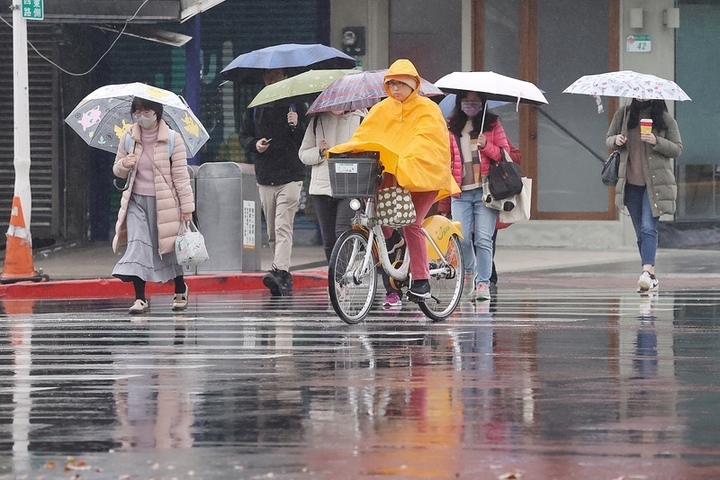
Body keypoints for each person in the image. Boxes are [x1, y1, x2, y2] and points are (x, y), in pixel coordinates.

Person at [328, 59, 459, 303]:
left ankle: (421, 280)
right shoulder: (381, 109)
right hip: (393, 176)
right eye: (391, 84)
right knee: (378, 219)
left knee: (412, 223)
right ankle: (395, 244)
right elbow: (364, 136)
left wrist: (406, 161)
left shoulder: (428, 110)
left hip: (424, 178)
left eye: (400, 83)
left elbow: (427, 143)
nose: (395, 88)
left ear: (414, 85)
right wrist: (346, 150)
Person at [111, 97, 195, 314]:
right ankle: (140, 298)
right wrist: (123, 164)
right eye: (137, 111)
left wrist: (187, 209)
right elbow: (117, 170)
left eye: (146, 110)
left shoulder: (173, 140)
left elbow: (181, 176)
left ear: (157, 112)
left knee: (167, 248)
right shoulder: (128, 138)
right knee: (139, 245)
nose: (142, 116)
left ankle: (179, 287)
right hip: (136, 202)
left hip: (165, 202)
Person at [239, 68, 308, 297]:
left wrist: (295, 124)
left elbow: (305, 140)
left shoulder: (296, 106)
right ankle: (283, 277)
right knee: (271, 231)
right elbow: (244, 136)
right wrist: (254, 144)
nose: (275, 81)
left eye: (279, 76)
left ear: (286, 79)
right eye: (271, 77)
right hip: (266, 175)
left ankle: (280, 270)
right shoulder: (256, 107)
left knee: (282, 226)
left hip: (291, 175)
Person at [606, 98, 682, 293]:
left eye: (645, 93)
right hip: (630, 184)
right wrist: (616, 140)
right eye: (637, 93)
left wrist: (656, 141)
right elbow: (608, 138)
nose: (641, 96)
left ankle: (646, 272)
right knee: (641, 232)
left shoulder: (664, 119)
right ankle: (651, 276)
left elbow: (677, 149)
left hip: (655, 185)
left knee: (649, 228)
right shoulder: (624, 115)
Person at [442, 91, 510, 301]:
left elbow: (505, 154)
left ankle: (483, 284)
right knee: (461, 239)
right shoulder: (451, 125)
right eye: (466, 101)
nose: (470, 105)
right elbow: (444, 155)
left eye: (475, 102)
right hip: (460, 191)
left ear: (483, 104)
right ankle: (469, 271)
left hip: (485, 192)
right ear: (459, 102)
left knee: (483, 238)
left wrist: (486, 146)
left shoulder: (492, 124)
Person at [298, 109, 367, 262]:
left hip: (350, 185)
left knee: (343, 231)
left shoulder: (361, 119)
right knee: (328, 239)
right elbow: (303, 154)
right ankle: (335, 278)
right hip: (321, 188)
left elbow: (371, 150)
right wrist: (319, 151)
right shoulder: (317, 121)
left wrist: (355, 152)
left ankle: (340, 279)